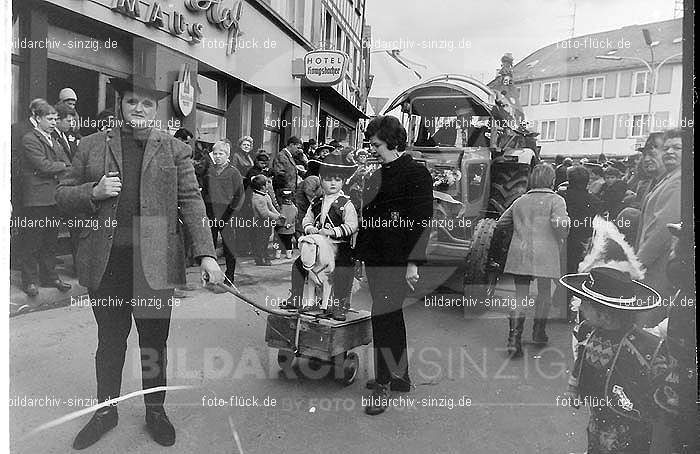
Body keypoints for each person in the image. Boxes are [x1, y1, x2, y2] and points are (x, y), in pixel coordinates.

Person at [56, 74, 224, 450]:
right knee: (110, 341)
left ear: (157, 109)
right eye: (132, 102)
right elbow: (62, 194)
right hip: (107, 262)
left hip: (155, 264)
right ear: (121, 104)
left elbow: (193, 202)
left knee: (153, 343)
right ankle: (106, 412)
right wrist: (93, 191)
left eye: (147, 104)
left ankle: (155, 412)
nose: (139, 109)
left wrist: (208, 254)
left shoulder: (174, 149)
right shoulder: (90, 146)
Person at [560, 221, 676, 454]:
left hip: (631, 424)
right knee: (595, 440)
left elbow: (663, 379)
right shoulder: (585, 332)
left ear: (603, 315)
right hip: (598, 416)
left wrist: (661, 404)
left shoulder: (646, 346)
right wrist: (574, 388)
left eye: (584, 304)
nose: (579, 308)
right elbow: (580, 362)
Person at [355, 116, 433, 415]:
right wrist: (362, 256)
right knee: (390, 315)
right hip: (377, 257)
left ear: (393, 141)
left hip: (398, 259)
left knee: (382, 316)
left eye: (376, 144)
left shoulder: (415, 173)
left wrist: (413, 262)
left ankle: (383, 384)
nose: (373, 149)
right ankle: (400, 376)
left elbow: (423, 222)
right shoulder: (379, 173)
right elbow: (369, 221)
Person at [497, 163, 569, 357]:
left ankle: (513, 341)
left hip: (520, 254)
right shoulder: (557, 200)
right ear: (552, 180)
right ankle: (538, 332)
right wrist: (562, 234)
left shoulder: (520, 201)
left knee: (520, 295)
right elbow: (560, 224)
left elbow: (502, 223)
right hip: (546, 255)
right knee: (544, 292)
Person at [284, 152, 359, 320]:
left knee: (342, 271)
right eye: (328, 179)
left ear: (343, 181)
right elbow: (307, 219)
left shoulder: (345, 203)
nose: (333, 183)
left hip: (338, 245)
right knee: (298, 266)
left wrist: (333, 231)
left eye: (337, 179)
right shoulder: (316, 202)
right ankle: (296, 298)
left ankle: (339, 306)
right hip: (318, 244)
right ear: (320, 179)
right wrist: (309, 228)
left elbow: (352, 225)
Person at [18, 100, 73, 297]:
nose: (53, 122)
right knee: (32, 241)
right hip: (36, 199)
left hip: (53, 197)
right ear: (37, 118)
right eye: (49, 119)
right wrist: (61, 167)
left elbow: (66, 163)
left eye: (55, 119)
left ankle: (50, 277)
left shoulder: (54, 141)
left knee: (50, 240)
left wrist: (59, 166)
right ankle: (30, 281)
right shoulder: (29, 139)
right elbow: (43, 166)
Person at [635, 128, 682, 310]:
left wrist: (637, 265)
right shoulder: (666, 179)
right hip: (655, 267)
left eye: (675, 148)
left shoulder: (677, 181)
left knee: (648, 320)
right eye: (667, 148)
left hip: (658, 269)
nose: (669, 152)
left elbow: (662, 229)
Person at [201, 140, 245, 286]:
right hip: (211, 211)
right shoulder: (209, 172)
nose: (218, 156)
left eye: (221, 153)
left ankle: (229, 275)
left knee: (228, 246)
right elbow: (205, 192)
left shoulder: (234, 172)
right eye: (215, 154)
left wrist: (230, 212)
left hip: (227, 212)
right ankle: (209, 274)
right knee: (210, 244)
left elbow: (240, 195)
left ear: (228, 155)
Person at [560, 165, 600, 320]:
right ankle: (568, 304)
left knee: (563, 271)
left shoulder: (561, 197)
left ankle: (562, 303)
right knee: (574, 273)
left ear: (569, 180)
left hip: (563, 239)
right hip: (583, 242)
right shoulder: (594, 201)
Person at [250, 175, 284, 266]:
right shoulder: (258, 198)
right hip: (260, 222)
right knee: (261, 240)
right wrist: (277, 217)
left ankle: (264, 255)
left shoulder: (265, 195)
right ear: (262, 187)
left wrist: (278, 215)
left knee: (265, 239)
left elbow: (271, 207)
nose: (268, 185)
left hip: (266, 222)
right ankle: (260, 258)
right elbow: (264, 213)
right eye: (267, 184)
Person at [274, 190, 297, 260]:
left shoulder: (280, 208)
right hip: (290, 229)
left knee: (278, 241)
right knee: (288, 242)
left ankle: (277, 254)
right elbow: (295, 217)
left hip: (280, 229)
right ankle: (288, 254)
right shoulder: (294, 208)